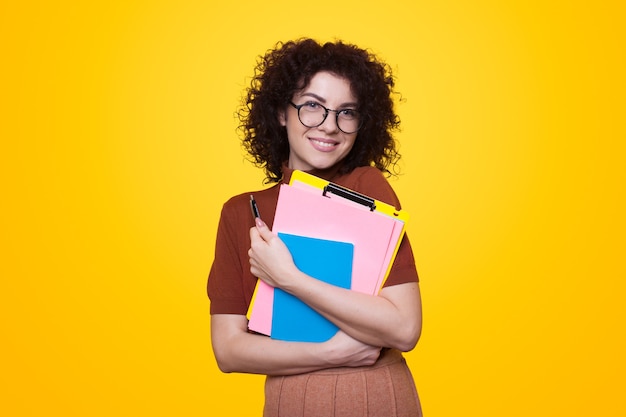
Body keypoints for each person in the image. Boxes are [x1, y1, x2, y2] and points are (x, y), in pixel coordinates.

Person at [208, 38, 423, 416]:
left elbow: (404, 328)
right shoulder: (241, 212)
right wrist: (330, 352)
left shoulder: (367, 189)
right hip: (288, 401)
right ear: (280, 112)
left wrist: (288, 277)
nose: (330, 126)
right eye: (312, 106)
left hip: (373, 395)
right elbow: (227, 350)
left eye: (347, 112)